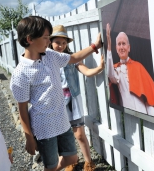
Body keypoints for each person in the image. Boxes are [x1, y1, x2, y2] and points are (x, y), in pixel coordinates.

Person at [10, 16, 102, 171]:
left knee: (72, 158)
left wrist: (94, 46)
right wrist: (29, 138)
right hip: (43, 127)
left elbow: (72, 58)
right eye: (46, 38)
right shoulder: (20, 73)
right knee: (51, 166)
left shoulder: (51, 56)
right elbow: (22, 109)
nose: (48, 41)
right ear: (30, 39)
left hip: (62, 121)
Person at [49, 25, 104, 171]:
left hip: (72, 100)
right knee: (62, 134)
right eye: (57, 42)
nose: (61, 45)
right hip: (57, 102)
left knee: (79, 134)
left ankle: (88, 162)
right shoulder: (47, 59)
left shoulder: (72, 58)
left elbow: (85, 71)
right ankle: (70, 160)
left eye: (64, 42)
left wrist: (98, 69)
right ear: (50, 42)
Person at [106, 23, 154, 117]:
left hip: (143, 113)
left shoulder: (138, 66)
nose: (121, 47)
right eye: (119, 44)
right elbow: (110, 75)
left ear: (129, 47)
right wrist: (109, 46)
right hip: (128, 116)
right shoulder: (115, 69)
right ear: (116, 49)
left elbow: (148, 96)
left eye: (124, 44)